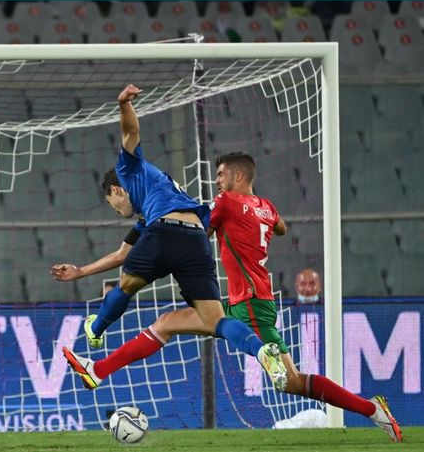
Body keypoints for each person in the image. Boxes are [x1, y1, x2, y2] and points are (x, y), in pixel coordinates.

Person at [61, 152, 402, 442]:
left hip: (250, 304)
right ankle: (98, 370)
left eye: (222, 174)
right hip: (249, 299)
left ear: (239, 175)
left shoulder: (225, 203)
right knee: (166, 323)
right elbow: (280, 227)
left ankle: (372, 409)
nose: (218, 181)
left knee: (293, 382)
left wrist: (160, 222)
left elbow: (194, 227)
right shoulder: (266, 207)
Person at [52, 84, 287, 390]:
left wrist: (124, 104)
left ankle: (95, 329)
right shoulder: (161, 197)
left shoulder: (128, 169)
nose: (117, 211)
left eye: (114, 205)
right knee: (214, 320)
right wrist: (82, 271)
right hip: (195, 242)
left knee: (127, 284)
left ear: (116, 190)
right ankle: (260, 350)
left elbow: (131, 133)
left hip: (165, 233)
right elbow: (123, 253)